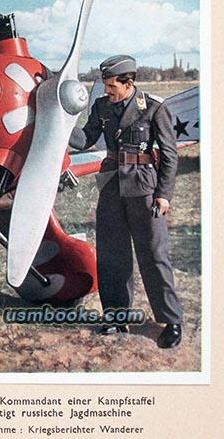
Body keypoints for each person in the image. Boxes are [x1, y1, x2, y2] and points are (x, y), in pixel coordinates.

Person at [69, 55, 182, 349]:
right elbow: (85, 140)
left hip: (144, 190)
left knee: (154, 256)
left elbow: (169, 155)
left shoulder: (154, 108)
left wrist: (163, 194)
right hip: (111, 189)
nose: (107, 91)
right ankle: (117, 317)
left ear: (128, 83)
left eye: (111, 86)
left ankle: (171, 321)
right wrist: (61, 120)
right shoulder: (102, 107)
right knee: (112, 257)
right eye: (105, 85)